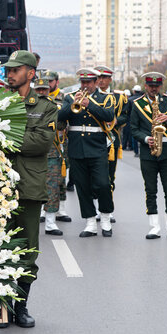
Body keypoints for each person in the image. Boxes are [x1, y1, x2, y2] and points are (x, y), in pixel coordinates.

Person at [0, 50, 56, 328]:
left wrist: (5, 132)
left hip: (29, 186)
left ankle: (21, 306)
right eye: (8, 70)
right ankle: (4, 307)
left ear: (30, 74)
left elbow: (41, 143)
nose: (9, 75)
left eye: (15, 70)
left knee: (28, 251)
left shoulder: (46, 107)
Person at [58, 68, 115, 238]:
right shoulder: (69, 97)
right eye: (82, 82)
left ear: (96, 82)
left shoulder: (106, 98)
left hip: (97, 146)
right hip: (76, 147)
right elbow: (60, 116)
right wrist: (71, 104)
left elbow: (109, 115)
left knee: (103, 184)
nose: (85, 85)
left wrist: (89, 104)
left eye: (88, 82)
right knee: (82, 186)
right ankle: (90, 222)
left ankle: (105, 217)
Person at [130, 72, 167, 240]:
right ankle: (154, 226)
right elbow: (133, 129)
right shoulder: (137, 104)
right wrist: (146, 139)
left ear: (160, 86)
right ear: (145, 86)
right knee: (150, 189)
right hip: (148, 151)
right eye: (151, 86)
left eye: (156, 86)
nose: (154, 89)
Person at [33, 76, 65, 235]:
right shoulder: (26, 106)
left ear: (48, 90)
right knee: (32, 187)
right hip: (32, 153)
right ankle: (34, 218)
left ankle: (51, 222)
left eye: (44, 90)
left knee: (52, 187)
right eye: (38, 90)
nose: (41, 93)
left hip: (51, 152)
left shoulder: (55, 107)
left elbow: (61, 125)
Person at [95, 65, 127, 224]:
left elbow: (126, 115)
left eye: (104, 78)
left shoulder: (119, 97)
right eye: (98, 78)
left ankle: (107, 208)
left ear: (110, 80)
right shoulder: (89, 96)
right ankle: (95, 208)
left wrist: (113, 122)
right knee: (93, 176)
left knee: (109, 176)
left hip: (111, 140)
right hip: (92, 140)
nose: (101, 81)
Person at [44, 70, 72, 223]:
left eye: (51, 81)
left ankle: (61, 209)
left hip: (60, 141)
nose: (48, 84)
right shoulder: (40, 95)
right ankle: (45, 209)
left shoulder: (64, 97)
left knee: (61, 176)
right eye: (46, 81)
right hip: (45, 141)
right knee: (46, 178)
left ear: (57, 82)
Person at [128, 85, 144, 157]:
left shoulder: (130, 99)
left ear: (134, 91)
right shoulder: (143, 99)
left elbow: (128, 111)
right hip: (143, 120)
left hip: (132, 119)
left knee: (134, 135)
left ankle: (136, 151)